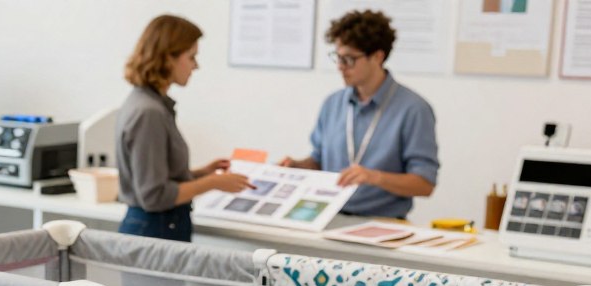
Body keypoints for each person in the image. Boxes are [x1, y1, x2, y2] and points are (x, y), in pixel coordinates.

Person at [279, 10, 439, 219]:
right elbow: (318, 161)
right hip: (326, 218)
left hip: (383, 224)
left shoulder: (413, 109)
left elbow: (424, 185)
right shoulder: (333, 103)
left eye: (349, 59)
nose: (340, 67)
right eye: (338, 57)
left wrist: (375, 177)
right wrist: (296, 166)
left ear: (378, 57)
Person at [116, 14, 252, 241]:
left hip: (159, 228)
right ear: (168, 58)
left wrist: (200, 173)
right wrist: (213, 182)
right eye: (191, 57)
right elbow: (154, 195)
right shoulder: (149, 112)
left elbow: (157, 176)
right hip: (154, 231)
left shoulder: (151, 104)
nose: (196, 66)